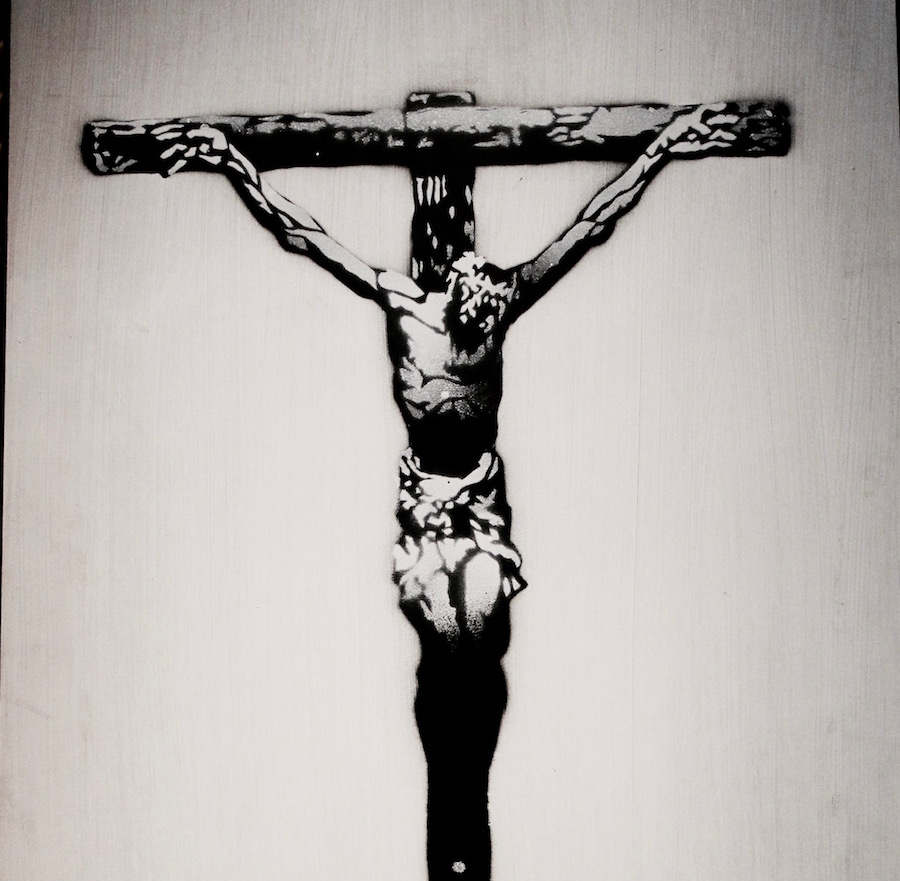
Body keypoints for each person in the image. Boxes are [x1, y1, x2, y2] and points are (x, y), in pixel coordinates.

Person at [152, 104, 738, 656]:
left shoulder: (503, 298)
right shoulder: (407, 306)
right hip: (425, 494)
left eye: (486, 288)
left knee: (478, 631)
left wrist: (662, 148)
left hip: (479, 491)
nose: (477, 273)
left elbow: (592, 226)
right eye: (474, 275)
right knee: (441, 636)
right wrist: (232, 161)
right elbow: (302, 235)